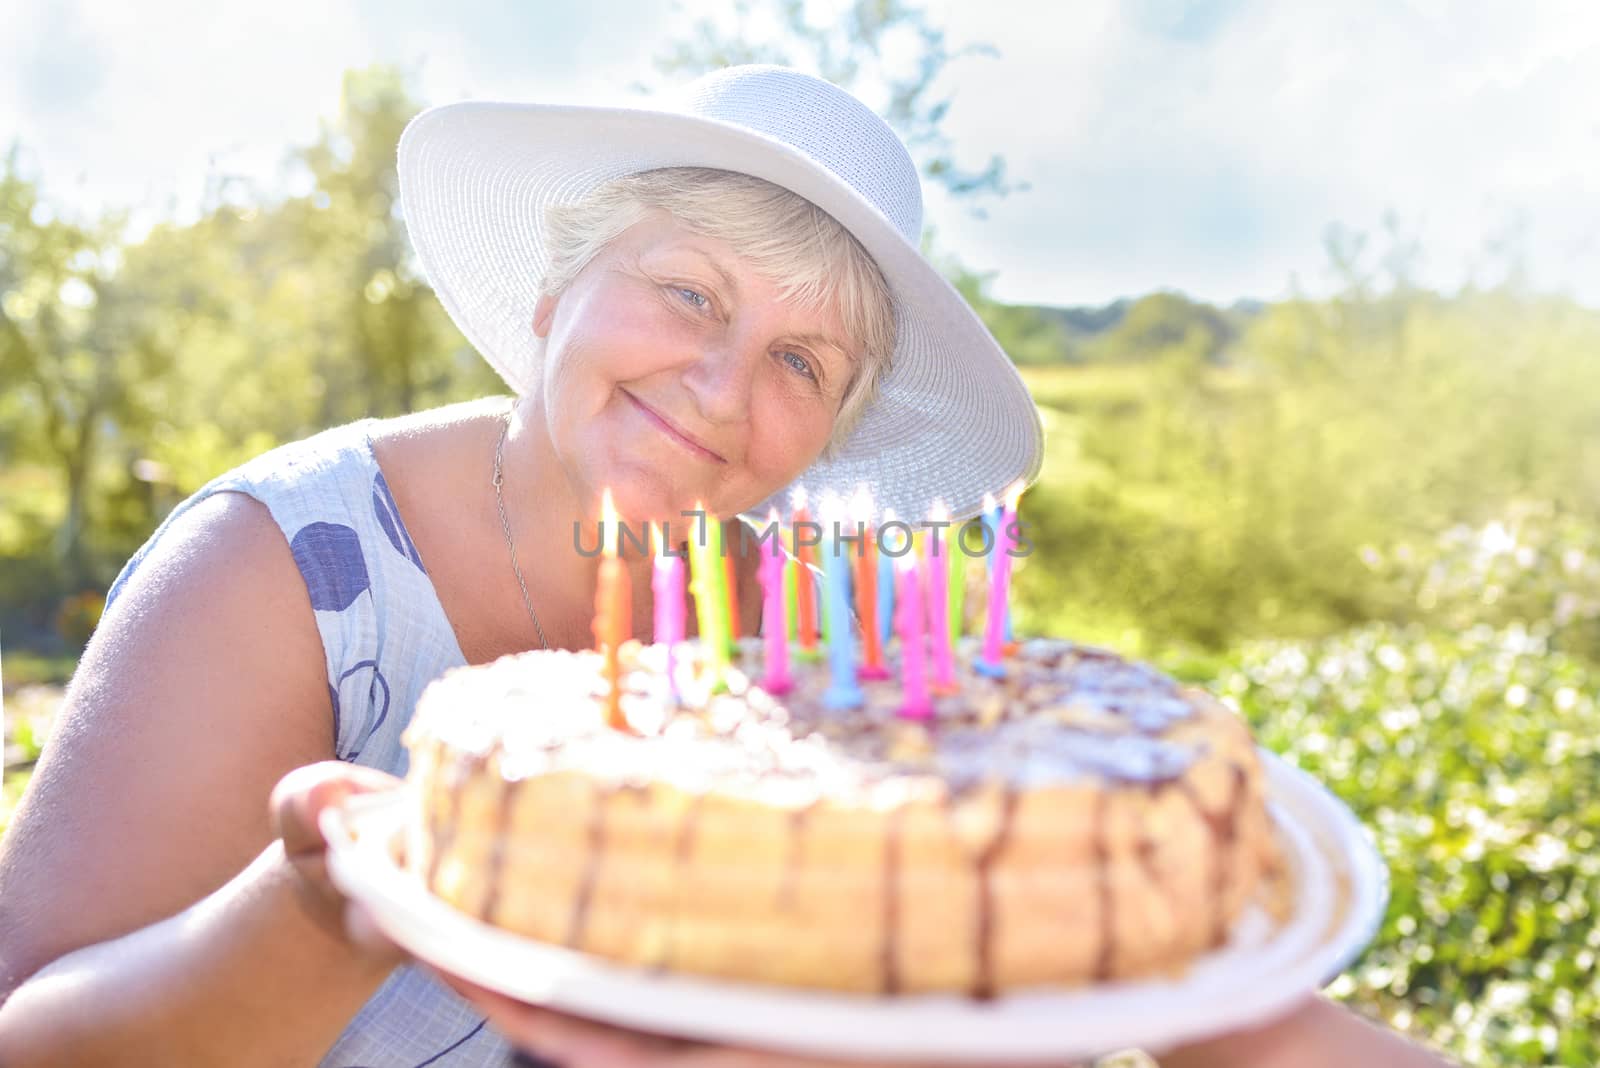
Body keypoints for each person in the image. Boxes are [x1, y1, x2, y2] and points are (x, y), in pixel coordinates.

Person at [0, 66, 1452, 1068]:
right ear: (558, 288)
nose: (716, 384)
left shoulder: (845, 665)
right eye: (688, 290)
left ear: (833, 428)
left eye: (800, 360)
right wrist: (327, 899)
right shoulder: (282, 572)